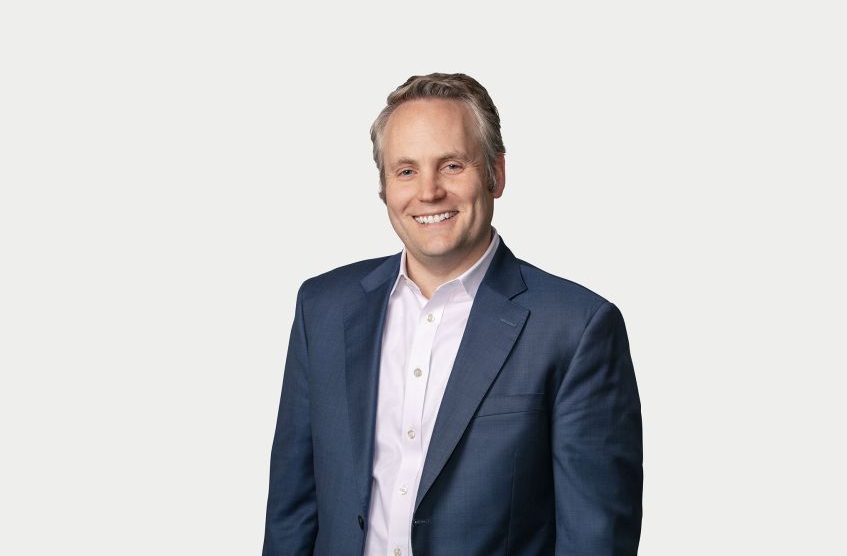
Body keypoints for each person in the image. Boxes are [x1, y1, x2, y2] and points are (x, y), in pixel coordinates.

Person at [262, 73, 643, 556]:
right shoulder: (322, 309)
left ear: (495, 174)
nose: (429, 191)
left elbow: (595, 540)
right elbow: (291, 515)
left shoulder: (577, 328)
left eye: (452, 165)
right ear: (383, 187)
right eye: (406, 170)